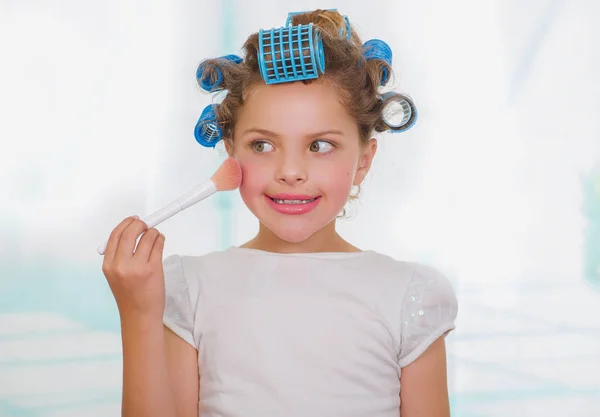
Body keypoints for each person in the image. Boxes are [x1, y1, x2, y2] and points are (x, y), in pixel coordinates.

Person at [101, 9, 458, 417]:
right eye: (263, 145)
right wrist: (139, 315)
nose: (290, 172)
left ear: (363, 160)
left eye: (320, 145)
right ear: (231, 151)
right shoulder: (189, 289)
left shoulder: (408, 296)